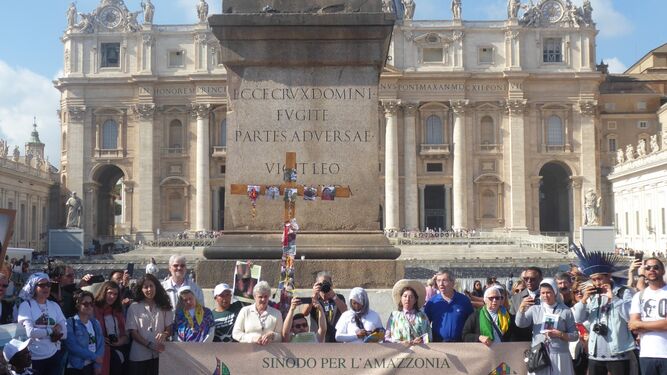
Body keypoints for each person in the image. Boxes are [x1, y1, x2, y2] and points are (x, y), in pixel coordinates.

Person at [571, 245, 635, 375]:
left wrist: (614, 298)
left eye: (599, 278)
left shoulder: (623, 292)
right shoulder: (593, 296)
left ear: (609, 276)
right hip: (595, 354)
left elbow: (630, 317)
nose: (597, 283)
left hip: (618, 354)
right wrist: (583, 300)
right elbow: (578, 319)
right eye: (594, 280)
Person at [516, 278, 578, 375]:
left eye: (548, 292)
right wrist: (521, 309)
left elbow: (575, 335)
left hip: (559, 355)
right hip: (540, 355)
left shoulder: (565, 311)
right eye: (543, 293)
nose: (545, 295)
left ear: (555, 292)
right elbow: (520, 323)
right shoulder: (535, 309)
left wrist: (560, 334)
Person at [17, 273, 68, 375]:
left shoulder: (54, 306)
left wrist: (42, 332)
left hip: (54, 356)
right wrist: (52, 330)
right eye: (42, 285)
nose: (46, 288)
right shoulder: (26, 306)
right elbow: (30, 332)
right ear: (34, 287)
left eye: (48, 285)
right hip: (34, 358)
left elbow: (65, 333)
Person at [126, 274, 173, 375]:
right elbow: (133, 333)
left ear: (156, 287)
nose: (149, 289)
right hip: (139, 355)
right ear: (141, 289)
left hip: (159, 354)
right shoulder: (134, 307)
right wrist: (150, 345)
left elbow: (169, 329)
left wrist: (164, 334)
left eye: (151, 286)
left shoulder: (164, 306)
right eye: (145, 287)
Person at [628, 258, 667, 375]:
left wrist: (642, 325)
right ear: (644, 272)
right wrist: (661, 324)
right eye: (648, 268)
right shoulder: (639, 296)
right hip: (647, 354)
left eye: (656, 267)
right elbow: (633, 326)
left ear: (663, 270)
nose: (651, 270)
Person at [424, 269, 473, 342]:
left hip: (460, 345)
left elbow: (471, 324)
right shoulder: (432, 302)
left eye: (444, 280)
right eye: (438, 280)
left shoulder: (464, 301)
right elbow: (425, 324)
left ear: (452, 282)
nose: (441, 284)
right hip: (439, 345)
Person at [64, 291, 104, 375]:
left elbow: (100, 344)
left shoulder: (95, 323)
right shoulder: (70, 323)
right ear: (78, 305)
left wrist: (97, 365)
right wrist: (94, 357)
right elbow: (73, 347)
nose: (89, 306)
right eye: (85, 304)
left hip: (92, 366)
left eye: (91, 303)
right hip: (77, 367)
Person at [93, 281, 129, 375]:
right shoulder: (93, 308)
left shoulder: (117, 311)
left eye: (115, 294)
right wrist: (99, 338)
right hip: (95, 351)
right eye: (110, 293)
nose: (112, 296)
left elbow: (125, 336)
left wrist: (118, 342)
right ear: (103, 292)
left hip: (113, 352)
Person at [302, 271, 347, 342]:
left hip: (335, 339)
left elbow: (345, 312)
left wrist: (334, 296)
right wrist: (314, 295)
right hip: (318, 339)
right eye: (321, 284)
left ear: (331, 285)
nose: (324, 285)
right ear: (316, 285)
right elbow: (304, 313)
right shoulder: (314, 299)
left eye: (326, 283)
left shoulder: (338, 298)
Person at [385, 279, 431, 344]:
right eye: (405, 296)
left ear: (415, 300)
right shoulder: (394, 316)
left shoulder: (422, 316)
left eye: (411, 297)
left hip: (419, 352)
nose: (407, 299)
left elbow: (429, 336)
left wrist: (421, 340)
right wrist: (400, 342)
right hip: (399, 352)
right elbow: (387, 338)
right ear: (401, 299)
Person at [510, 266, 543, 341]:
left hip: (543, 340)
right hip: (522, 341)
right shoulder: (515, 298)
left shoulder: (546, 296)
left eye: (532, 279)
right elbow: (512, 324)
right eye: (526, 279)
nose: (529, 281)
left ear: (540, 279)